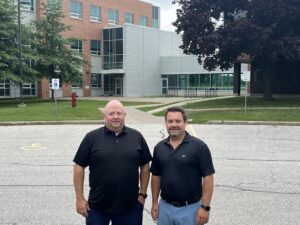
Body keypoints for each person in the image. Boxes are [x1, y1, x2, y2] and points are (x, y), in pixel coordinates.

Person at [73, 99, 152, 225]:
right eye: (111, 113)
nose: (115, 117)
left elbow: (145, 165)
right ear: (105, 116)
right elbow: (79, 166)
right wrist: (80, 198)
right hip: (97, 207)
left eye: (119, 113)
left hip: (130, 207)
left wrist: (142, 195)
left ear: (124, 115)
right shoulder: (91, 138)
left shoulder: (137, 137)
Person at [151, 107, 215, 225]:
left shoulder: (199, 147)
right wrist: (155, 202)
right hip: (165, 208)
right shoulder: (159, 148)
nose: (174, 124)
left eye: (178, 121)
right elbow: (156, 176)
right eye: (170, 121)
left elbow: (208, 177)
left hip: (190, 209)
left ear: (185, 123)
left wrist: (205, 208)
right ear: (166, 123)